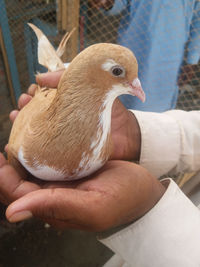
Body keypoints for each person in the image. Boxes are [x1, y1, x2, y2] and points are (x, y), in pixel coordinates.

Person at [0, 70, 200, 266]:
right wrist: (137, 132)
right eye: (119, 71)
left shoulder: (107, 142)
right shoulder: (35, 140)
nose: (138, 85)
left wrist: (145, 210)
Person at [90, 0, 200, 112]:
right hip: (134, 47)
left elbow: (198, 18)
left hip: (170, 57)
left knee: (159, 113)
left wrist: (193, 58)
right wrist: (108, 3)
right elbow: (120, 3)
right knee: (123, 106)